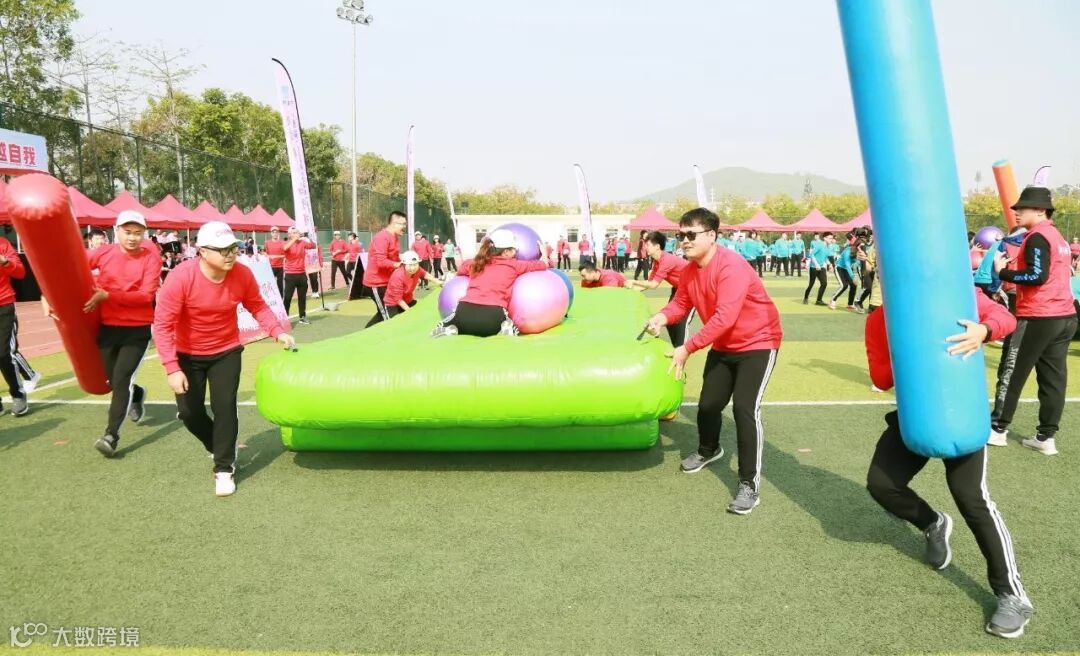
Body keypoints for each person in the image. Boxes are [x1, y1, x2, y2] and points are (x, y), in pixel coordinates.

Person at [864, 290, 1034, 639]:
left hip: (960, 411)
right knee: (881, 484)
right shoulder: (878, 319)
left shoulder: (957, 293)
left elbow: (1006, 318)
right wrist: (909, 350)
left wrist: (983, 331)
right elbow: (880, 379)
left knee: (971, 497)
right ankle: (933, 522)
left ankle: (1013, 596)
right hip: (917, 414)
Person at [644, 209, 782, 514]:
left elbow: (724, 317)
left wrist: (686, 348)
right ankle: (709, 449)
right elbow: (681, 303)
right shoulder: (689, 270)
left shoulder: (731, 266)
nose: (684, 240)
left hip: (759, 343)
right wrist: (661, 317)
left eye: (691, 234)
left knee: (745, 409)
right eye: (680, 235)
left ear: (711, 235)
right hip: (724, 345)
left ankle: (749, 484)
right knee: (708, 406)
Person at [153, 221, 296, 497]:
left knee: (225, 407)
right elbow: (163, 325)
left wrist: (277, 331)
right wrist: (172, 368)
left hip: (226, 351)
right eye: (223, 250)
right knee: (189, 413)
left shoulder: (242, 274)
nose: (230, 254)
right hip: (187, 355)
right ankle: (217, 444)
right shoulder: (181, 277)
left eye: (233, 248)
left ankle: (224, 467)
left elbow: (257, 306)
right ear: (203, 251)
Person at [47, 211, 161, 456]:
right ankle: (137, 394)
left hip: (137, 331)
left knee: (120, 380)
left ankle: (111, 436)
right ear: (116, 231)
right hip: (108, 328)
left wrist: (107, 296)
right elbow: (67, 269)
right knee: (112, 380)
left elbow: (145, 296)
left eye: (138, 233)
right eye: (127, 232)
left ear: (144, 234)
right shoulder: (104, 253)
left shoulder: (151, 258)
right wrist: (46, 295)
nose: (132, 238)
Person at [990, 186, 1077, 454]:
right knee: (1053, 379)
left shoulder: (1038, 236)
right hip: (1065, 316)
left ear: (1040, 211)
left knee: (1012, 370)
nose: (1016, 212)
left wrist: (1003, 272)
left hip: (1039, 315)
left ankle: (997, 429)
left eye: (1022, 208)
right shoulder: (1058, 237)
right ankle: (1046, 437)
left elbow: (1036, 276)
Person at [431, 229, 550, 337]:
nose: (517, 253)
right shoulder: (514, 265)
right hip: (492, 319)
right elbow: (544, 264)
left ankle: (450, 327)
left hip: (464, 314)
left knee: (453, 318)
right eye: (515, 250)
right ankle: (505, 328)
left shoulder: (476, 263)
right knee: (506, 323)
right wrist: (544, 253)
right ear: (506, 252)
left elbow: (461, 270)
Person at [625, 231, 693, 347]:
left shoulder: (667, 260)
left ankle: (681, 349)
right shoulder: (657, 261)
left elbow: (653, 285)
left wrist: (634, 281)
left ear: (657, 246)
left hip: (692, 290)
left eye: (648, 245)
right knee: (670, 321)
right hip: (678, 290)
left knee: (681, 323)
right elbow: (649, 283)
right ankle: (676, 348)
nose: (645, 247)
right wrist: (631, 289)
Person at [0, 233, 30, 417]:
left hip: (4, 305)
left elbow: (20, 272)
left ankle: (18, 395)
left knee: (3, 354)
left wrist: (4, 261)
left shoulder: (3, 244)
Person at [363, 211, 406, 327]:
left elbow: (395, 258)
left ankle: (367, 332)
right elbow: (381, 262)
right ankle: (366, 333)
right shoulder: (382, 237)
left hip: (387, 282)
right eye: (403, 224)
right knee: (386, 315)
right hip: (376, 284)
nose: (404, 227)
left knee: (390, 311)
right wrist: (400, 265)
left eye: (405, 224)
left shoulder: (395, 237)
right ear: (394, 223)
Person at [384, 250, 442, 319]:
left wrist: (437, 281)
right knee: (395, 322)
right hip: (393, 304)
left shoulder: (418, 270)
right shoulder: (397, 276)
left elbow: (425, 274)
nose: (413, 268)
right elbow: (398, 299)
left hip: (408, 300)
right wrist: (410, 312)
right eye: (410, 265)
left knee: (421, 313)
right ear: (404, 264)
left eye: (415, 264)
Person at [281, 227, 316, 325]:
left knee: (302, 297)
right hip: (290, 275)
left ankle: (302, 317)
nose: (296, 233)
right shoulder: (286, 243)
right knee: (287, 297)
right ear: (290, 235)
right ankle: (284, 318)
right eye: (294, 232)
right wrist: (294, 239)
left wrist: (308, 237)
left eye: (297, 232)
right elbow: (284, 248)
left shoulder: (302, 242)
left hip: (301, 274)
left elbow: (312, 245)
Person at [803, 232, 833, 305]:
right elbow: (811, 255)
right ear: (825, 238)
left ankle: (819, 301)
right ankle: (806, 298)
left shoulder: (828, 247)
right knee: (811, 284)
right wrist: (816, 264)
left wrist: (830, 264)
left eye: (832, 238)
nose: (831, 240)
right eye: (830, 238)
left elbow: (825, 258)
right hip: (813, 267)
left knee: (824, 283)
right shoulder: (819, 245)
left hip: (822, 267)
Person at [829, 240, 860, 311]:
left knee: (853, 285)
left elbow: (857, 264)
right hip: (839, 268)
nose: (861, 248)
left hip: (847, 269)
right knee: (844, 285)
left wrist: (856, 274)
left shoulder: (860, 252)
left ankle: (850, 304)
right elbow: (847, 264)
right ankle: (833, 300)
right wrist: (853, 277)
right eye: (860, 247)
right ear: (856, 246)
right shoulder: (848, 251)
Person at [264, 226, 286, 295]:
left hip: (280, 267)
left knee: (280, 284)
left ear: (278, 233)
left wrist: (275, 256)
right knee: (270, 284)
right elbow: (265, 253)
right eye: (273, 232)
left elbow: (285, 255)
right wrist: (268, 256)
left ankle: (281, 298)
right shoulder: (267, 242)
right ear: (271, 233)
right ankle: (271, 298)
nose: (275, 234)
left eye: (276, 232)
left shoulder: (282, 242)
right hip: (270, 266)